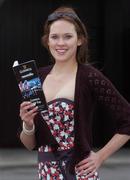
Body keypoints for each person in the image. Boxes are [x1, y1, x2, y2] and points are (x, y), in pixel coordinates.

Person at [19, 6, 130, 180]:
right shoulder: (36, 78)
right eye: (55, 37)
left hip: (79, 174)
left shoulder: (89, 77)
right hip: (46, 174)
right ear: (47, 41)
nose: (60, 43)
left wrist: (100, 156)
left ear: (80, 40)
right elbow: (30, 145)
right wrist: (28, 125)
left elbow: (128, 119)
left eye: (68, 36)